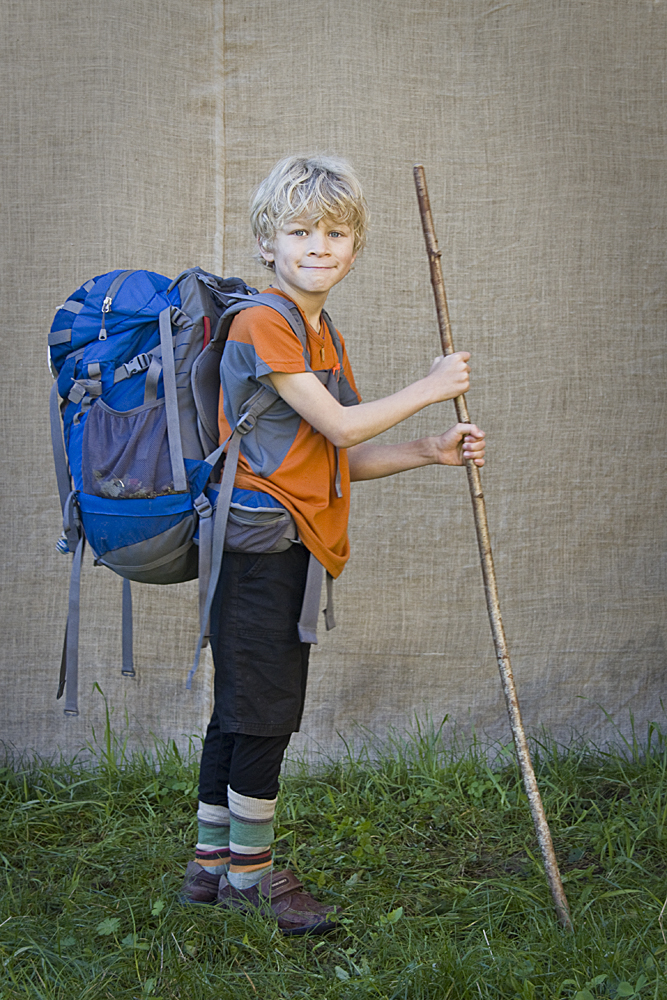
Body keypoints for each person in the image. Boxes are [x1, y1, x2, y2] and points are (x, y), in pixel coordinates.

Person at [181, 155, 486, 934]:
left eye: (335, 233)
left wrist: (428, 449)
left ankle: (211, 870)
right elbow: (343, 426)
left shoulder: (320, 332)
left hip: (290, 540)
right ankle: (250, 882)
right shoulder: (262, 322)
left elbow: (336, 454)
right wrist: (431, 385)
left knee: (243, 706)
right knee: (262, 713)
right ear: (267, 243)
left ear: (354, 248)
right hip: (258, 544)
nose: (318, 245)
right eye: (299, 231)